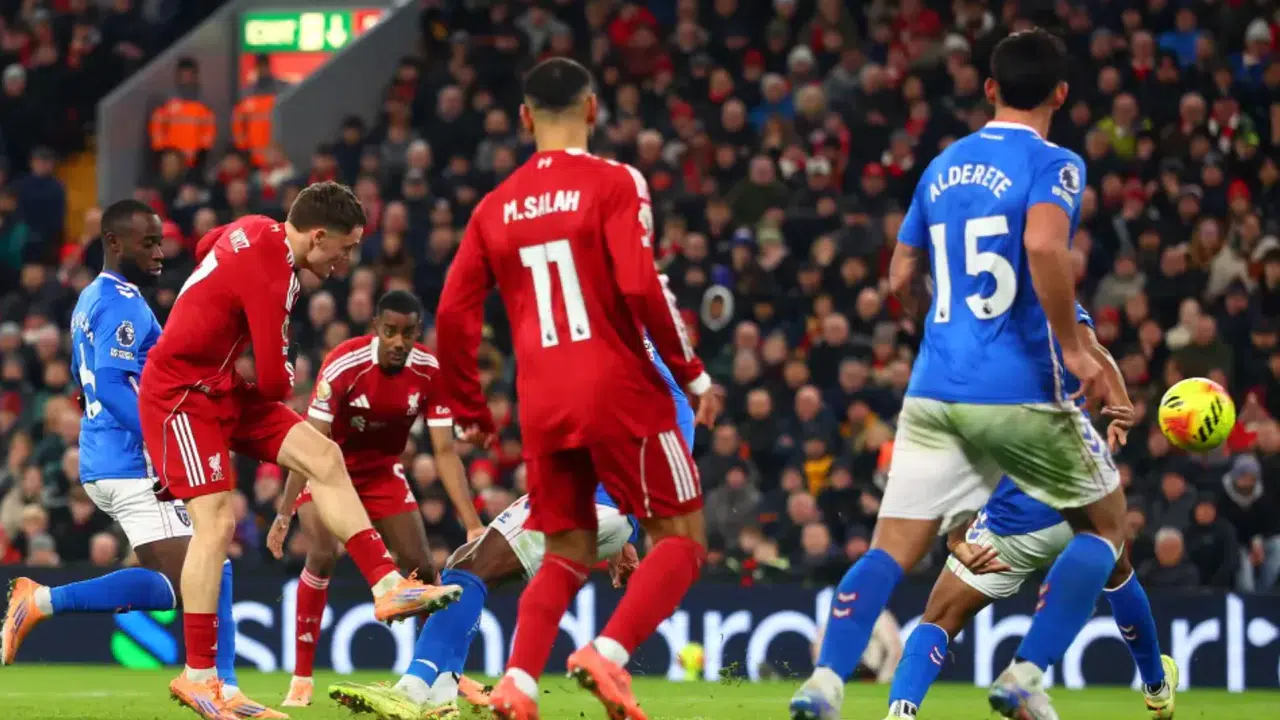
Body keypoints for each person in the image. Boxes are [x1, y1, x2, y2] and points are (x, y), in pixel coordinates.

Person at [790, 29, 1129, 720]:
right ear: (1061, 93)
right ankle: (1026, 674)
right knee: (1106, 528)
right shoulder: (1056, 162)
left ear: (990, 88)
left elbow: (900, 276)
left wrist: (942, 327)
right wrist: (1075, 348)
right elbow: (1043, 244)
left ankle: (824, 681)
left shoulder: (942, 165)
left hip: (935, 386)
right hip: (1019, 391)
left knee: (891, 548)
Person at [434, 56, 720, 720]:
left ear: (524, 118)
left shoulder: (494, 206)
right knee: (683, 537)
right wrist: (692, 373)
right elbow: (641, 285)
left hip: (544, 405)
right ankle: (607, 654)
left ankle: (517, 685)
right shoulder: (616, 181)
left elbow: (451, 313)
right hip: (619, 389)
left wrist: (470, 406)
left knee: (564, 549)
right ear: (593, 109)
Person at [136, 182, 461, 720]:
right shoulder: (273, 272)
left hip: (220, 385)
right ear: (317, 236)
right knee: (215, 524)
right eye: (345, 248)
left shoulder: (253, 227)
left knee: (325, 457)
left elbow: (206, 246)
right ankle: (199, 679)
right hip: (182, 395)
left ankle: (387, 586)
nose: (346, 261)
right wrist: (280, 360)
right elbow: (272, 383)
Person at [323, 318, 697, 719]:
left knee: (470, 569)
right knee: (467, 563)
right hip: (612, 509)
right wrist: (628, 531)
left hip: (589, 501)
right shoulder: (657, 382)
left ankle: (413, 690)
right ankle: (442, 695)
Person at [0, 200, 283, 719]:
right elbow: (111, 384)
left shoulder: (90, 299)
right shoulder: (123, 303)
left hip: (109, 456)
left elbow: (92, 381)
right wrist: (164, 443)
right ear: (113, 242)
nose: (159, 252)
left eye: (160, 242)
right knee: (209, 565)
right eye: (148, 242)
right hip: (132, 461)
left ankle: (38, 602)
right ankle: (221, 688)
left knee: (183, 578)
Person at [883, 307, 1178, 720]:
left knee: (940, 618)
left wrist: (955, 535)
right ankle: (1157, 689)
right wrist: (1121, 405)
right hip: (1078, 506)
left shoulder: (963, 353)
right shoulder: (1051, 308)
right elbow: (1096, 352)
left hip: (1009, 528)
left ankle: (902, 711)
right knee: (1118, 570)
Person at [265, 290, 487, 707]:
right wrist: (283, 512)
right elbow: (308, 444)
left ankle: (445, 672)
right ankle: (301, 678)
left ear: (417, 333)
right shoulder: (344, 364)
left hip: (382, 473)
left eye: (408, 333)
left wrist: (473, 523)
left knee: (424, 570)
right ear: (376, 329)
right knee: (322, 553)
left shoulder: (429, 371)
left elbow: (444, 451)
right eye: (390, 332)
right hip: (329, 472)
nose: (399, 342)